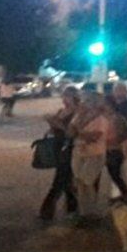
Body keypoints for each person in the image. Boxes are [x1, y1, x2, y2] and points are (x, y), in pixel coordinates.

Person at [67, 91, 111, 223]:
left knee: (86, 182)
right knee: (80, 183)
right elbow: (69, 132)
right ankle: (84, 212)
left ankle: (90, 212)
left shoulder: (101, 119)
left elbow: (94, 137)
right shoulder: (79, 116)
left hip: (94, 154)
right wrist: (80, 130)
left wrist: (78, 132)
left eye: (86, 101)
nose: (83, 104)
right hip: (79, 153)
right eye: (83, 101)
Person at [40, 88, 81, 221]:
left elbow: (72, 131)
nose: (64, 99)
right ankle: (72, 208)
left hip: (69, 146)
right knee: (66, 178)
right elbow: (54, 129)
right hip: (59, 145)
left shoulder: (77, 112)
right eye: (63, 97)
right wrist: (51, 124)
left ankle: (47, 210)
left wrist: (58, 124)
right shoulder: (61, 111)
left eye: (67, 97)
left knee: (61, 178)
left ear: (74, 97)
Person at [104, 84, 127, 204]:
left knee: (116, 171)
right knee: (115, 172)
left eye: (120, 90)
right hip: (113, 145)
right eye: (116, 90)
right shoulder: (110, 114)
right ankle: (119, 195)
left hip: (120, 142)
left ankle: (120, 195)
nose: (117, 92)